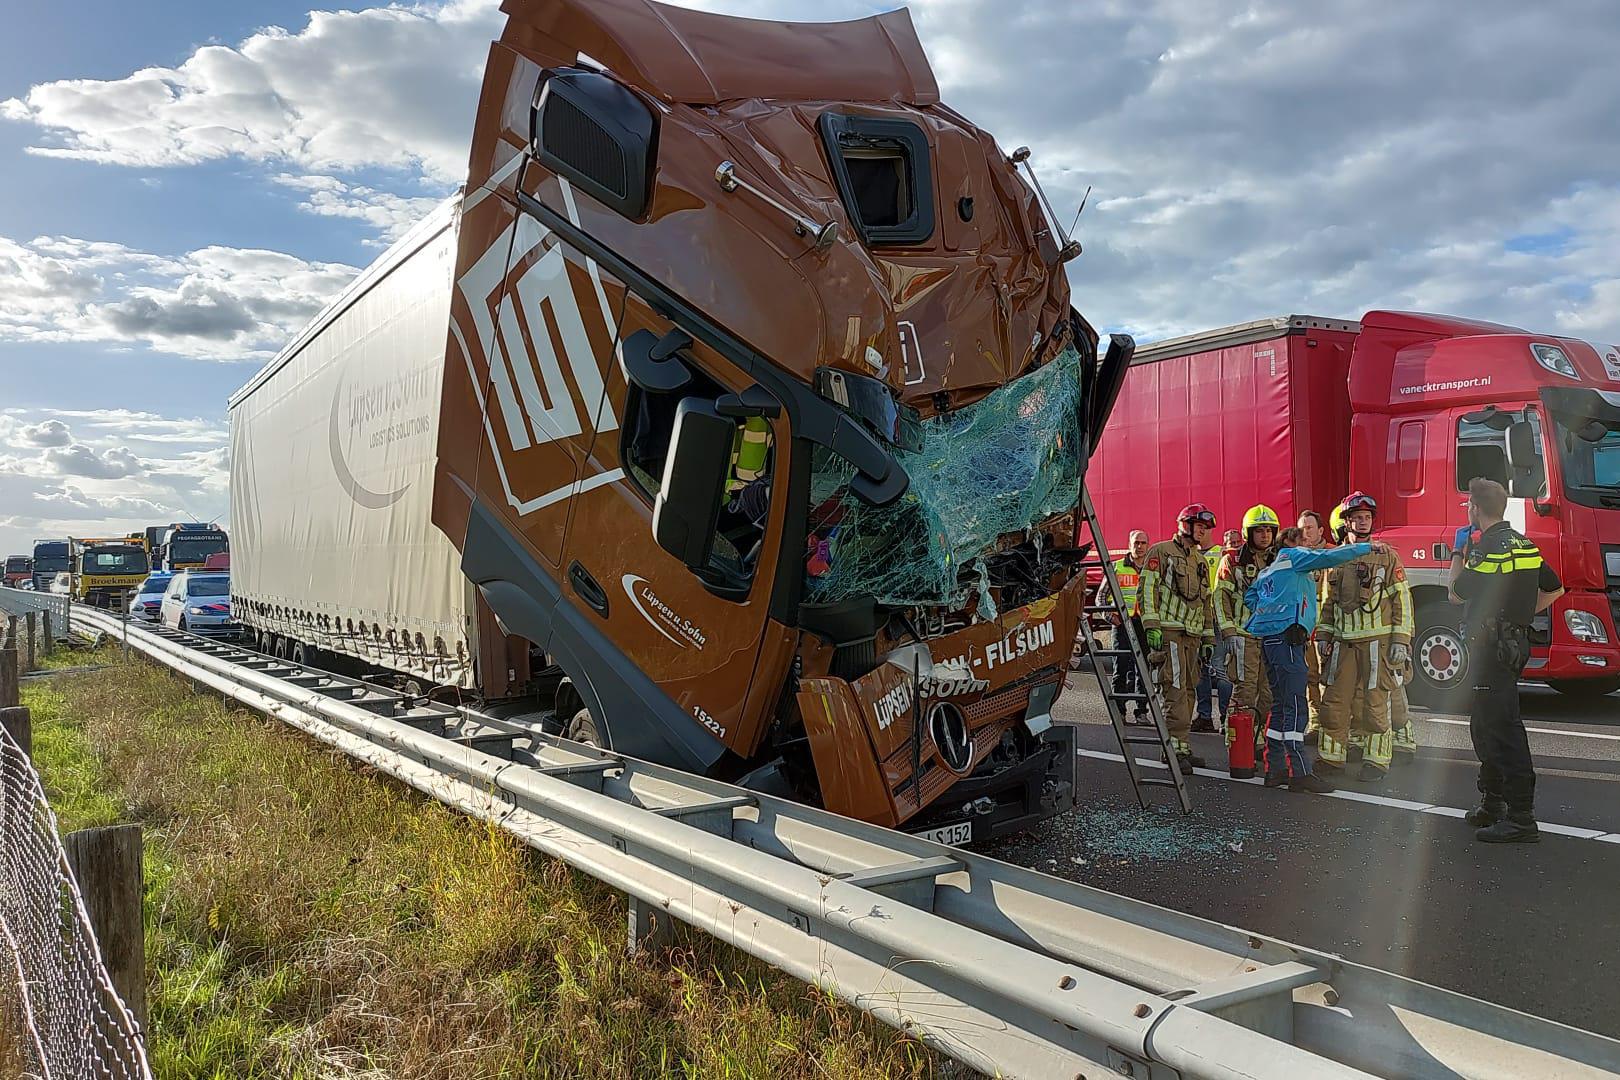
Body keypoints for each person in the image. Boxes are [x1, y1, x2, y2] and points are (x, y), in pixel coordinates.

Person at [1450, 477, 1564, 843]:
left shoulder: (1488, 548)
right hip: (1512, 643)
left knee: (1502, 728)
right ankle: (1493, 802)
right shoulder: (1524, 544)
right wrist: (1522, 616)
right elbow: (1556, 587)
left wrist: (1458, 553)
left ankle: (1521, 818)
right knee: (1485, 723)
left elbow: (1456, 593)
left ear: (1474, 509)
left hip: (1490, 647)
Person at [1244, 526, 1387, 792]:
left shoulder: (1269, 570)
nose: (1308, 543)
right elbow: (1329, 558)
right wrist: (1368, 547)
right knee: (1296, 705)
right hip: (1288, 637)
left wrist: (1270, 610)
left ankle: (1274, 769)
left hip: (1270, 639)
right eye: (1303, 538)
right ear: (1288, 542)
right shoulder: (1295, 557)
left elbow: (1251, 597)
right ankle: (1300, 772)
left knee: (1280, 703)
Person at [1316, 492, 1413, 782]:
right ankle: (1332, 759)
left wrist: (1400, 641)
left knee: (1375, 703)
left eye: (1367, 518)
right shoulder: (1334, 559)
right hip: (1344, 643)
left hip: (1377, 642)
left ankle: (1376, 761)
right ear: (1346, 522)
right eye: (1357, 518)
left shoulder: (1386, 555)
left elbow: (1402, 601)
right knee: (1334, 700)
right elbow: (1328, 603)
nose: (1362, 522)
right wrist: (1323, 635)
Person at [1140, 504, 1218, 774]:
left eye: (1206, 528)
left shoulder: (1200, 561)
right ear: (1185, 525)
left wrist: (1208, 638)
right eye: (1199, 526)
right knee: (1173, 691)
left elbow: (1206, 601)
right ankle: (1172, 750)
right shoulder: (1161, 552)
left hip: (1193, 636)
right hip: (1170, 632)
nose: (1203, 531)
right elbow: (1147, 589)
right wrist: (1151, 624)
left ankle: (1183, 747)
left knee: (1188, 691)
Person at [1216, 506, 1280, 768]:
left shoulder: (1279, 559)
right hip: (1244, 634)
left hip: (1272, 635)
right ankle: (1238, 742)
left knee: (1268, 693)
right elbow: (1220, 597)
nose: (1264, 535)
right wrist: (1228, 630)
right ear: (1248, 533)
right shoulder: (1232, 560)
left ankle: (1257, 741)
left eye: (1268, 530)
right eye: (1259, 530)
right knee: (1245, 691)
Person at [1195, 528, 1240, 732]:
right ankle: (1204, 716)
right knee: (1201, 670)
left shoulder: (1221, 555)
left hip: (1218, 620)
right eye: (1229, 541)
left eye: (1236, 541)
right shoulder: (1192, 555)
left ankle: (1224, 717)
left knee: (1220, 669)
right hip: (1198, 620)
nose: (1232, 545)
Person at [1103, 530, 1151, 719]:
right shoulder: (1117, 568)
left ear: (1148, 545)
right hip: (1122, 624)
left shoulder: (1151, 569)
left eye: (1143, 543)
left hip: (1144, 624)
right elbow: (1101, 596)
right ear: (1129, 544)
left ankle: (1141, 711)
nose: (1139, 547)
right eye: (1136, 543)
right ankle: (1120, 712)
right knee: (1120, 668)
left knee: (1144, 670)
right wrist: (1110, 617)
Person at [1296, 510, 1330, 741]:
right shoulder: (1297, 557)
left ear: (1320, 531)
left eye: (1309, 527)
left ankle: (1331, 725)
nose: (1305, 532)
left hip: (1325, 629)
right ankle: (1316, 723)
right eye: (1302, 528)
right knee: (1310, 678)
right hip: (1304, 629)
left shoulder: (1332, 555)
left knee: (1328, 678)